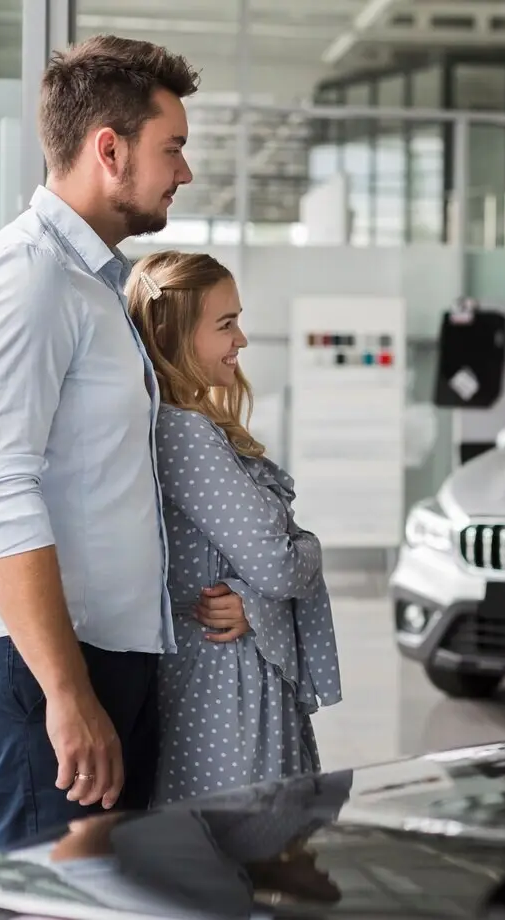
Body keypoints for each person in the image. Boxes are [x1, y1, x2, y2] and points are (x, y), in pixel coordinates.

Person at [0, 35, 246, 851]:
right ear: (108, 149)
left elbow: (103, 486)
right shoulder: (29, 275)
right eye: (171, 148)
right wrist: (67, 692)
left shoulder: (95, 286)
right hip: (47, 664)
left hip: (102, 659)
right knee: (62, 905)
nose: (183, 173)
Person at [124, 251, 342, 804]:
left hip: (226, 683)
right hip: (226, 693)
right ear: (174, 336)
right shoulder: (186, 434)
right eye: (225, 325)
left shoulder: (185, 427)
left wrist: (255, 602)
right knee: (243, 858)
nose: (240, 340)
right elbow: (280, 563)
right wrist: (310, 548)